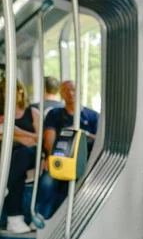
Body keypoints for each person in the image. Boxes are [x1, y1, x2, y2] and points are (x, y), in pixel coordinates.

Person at [36, 80, 99, 219]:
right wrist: (52, 156)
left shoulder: (93, 116)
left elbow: (100, 140)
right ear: (61, 94)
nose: (70, 93)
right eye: (66, 90)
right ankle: (40, 217)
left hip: (85, 161)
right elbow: (49, 139)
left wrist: (84, 134)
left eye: (74, 90)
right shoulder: (54, 114)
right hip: (60, 158)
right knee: (47, 182)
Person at [0, 79, 40, 233]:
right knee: (16, 170)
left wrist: (16, 132)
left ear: (20, 91)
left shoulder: (33, 112)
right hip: (9, 154)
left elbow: (38, 138)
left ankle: (4, 187)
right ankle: (14, 219)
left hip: (29, 154)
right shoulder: (2, 114)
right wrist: (20, 137)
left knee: (24, 153)